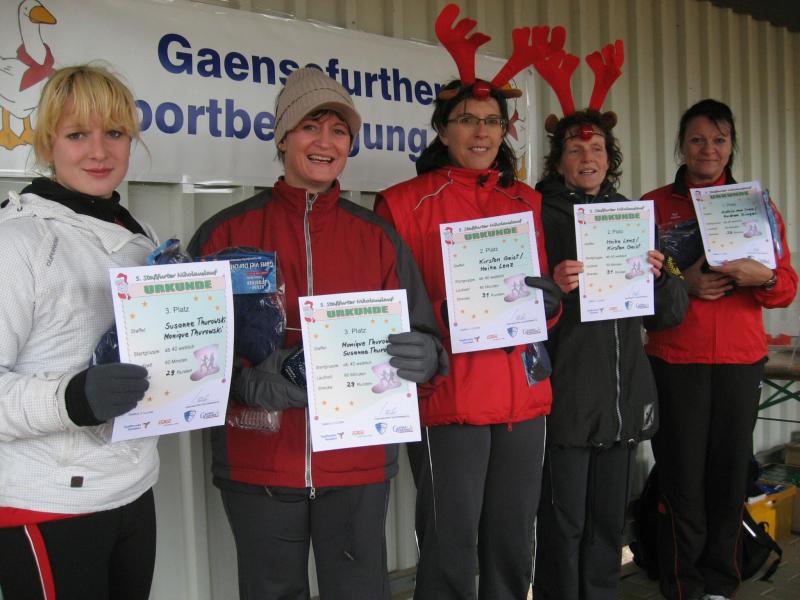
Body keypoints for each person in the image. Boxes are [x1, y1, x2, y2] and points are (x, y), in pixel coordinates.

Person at [187, 67, 445, 600]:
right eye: (310, 126)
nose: (325, 142)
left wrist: (428, 357)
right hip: (259, 460)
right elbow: (185, 353)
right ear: (283, 136)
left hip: (356, 464)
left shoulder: (377, 237)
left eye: (339, 131)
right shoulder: (224, 233)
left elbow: (423, 333)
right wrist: (244, 382)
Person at [374, 9, 563, 597]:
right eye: (467, 120)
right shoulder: (402, 203)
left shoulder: (525, 200)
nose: (481, 132)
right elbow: (391, 309)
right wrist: (457, 312)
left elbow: (536, 295)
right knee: (450, 543)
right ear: (443, 130)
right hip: (450, 396)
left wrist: (549, 304)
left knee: (513, 538)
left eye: (492, 121)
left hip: (523, 398)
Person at [0, 65, 158, 600]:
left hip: (134, 488)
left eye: (114, 133)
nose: (99, 151)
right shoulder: (18, 242)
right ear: (48, 144)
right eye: (76, 134)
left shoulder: (140, 237)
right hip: (48, 503)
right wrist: (72, 398)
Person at [642, 98, 797, 600]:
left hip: (739, 360)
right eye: (697, 139)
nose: (708, 149)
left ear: (731, 146)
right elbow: (630, 289)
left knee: (729, 478)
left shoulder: (757, 206)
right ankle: (682, 586)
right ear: (681, 146)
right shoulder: (652, 206)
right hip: (674, 359)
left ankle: (719, 585)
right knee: (680, 479)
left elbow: (785, 287)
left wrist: (763, 276)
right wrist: (682, 284)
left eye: (719, 139)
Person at [531, 109, 688, 600]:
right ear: (558, 161)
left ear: (609, 158)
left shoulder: (631, 216)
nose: (587, 158)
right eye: (575, 149)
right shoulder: (537, 216)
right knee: (562, 527)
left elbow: (668, 315)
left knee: (606, 528)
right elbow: (511, 306)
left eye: (597, 148)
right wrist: (552, 286)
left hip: (623, 403)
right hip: (567, 401)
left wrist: (661, 277)